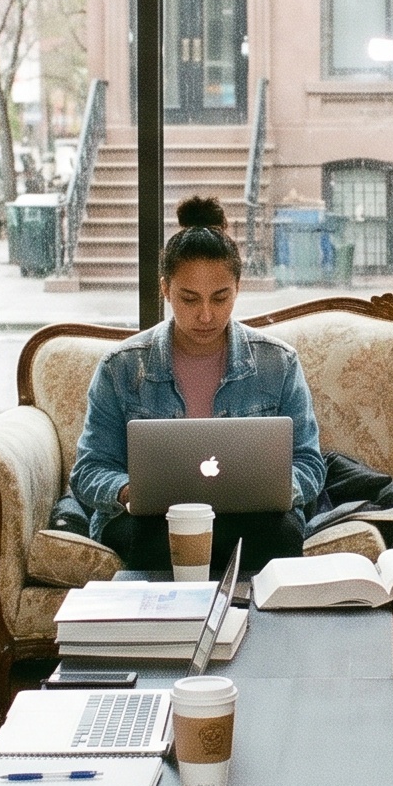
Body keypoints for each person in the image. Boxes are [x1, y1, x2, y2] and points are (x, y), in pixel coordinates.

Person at [69, 196, 323, 572]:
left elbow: (309, 464)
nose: (206, 315)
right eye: (189, 299)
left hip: (252, 520)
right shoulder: (121, 367)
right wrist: (127, 492)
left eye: (220, 298)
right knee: (154, 539)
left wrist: (271, 490)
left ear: (238, 287)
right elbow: (90, 469)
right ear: (165, 289)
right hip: (153, 524)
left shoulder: (278, 363)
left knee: (280, 534)